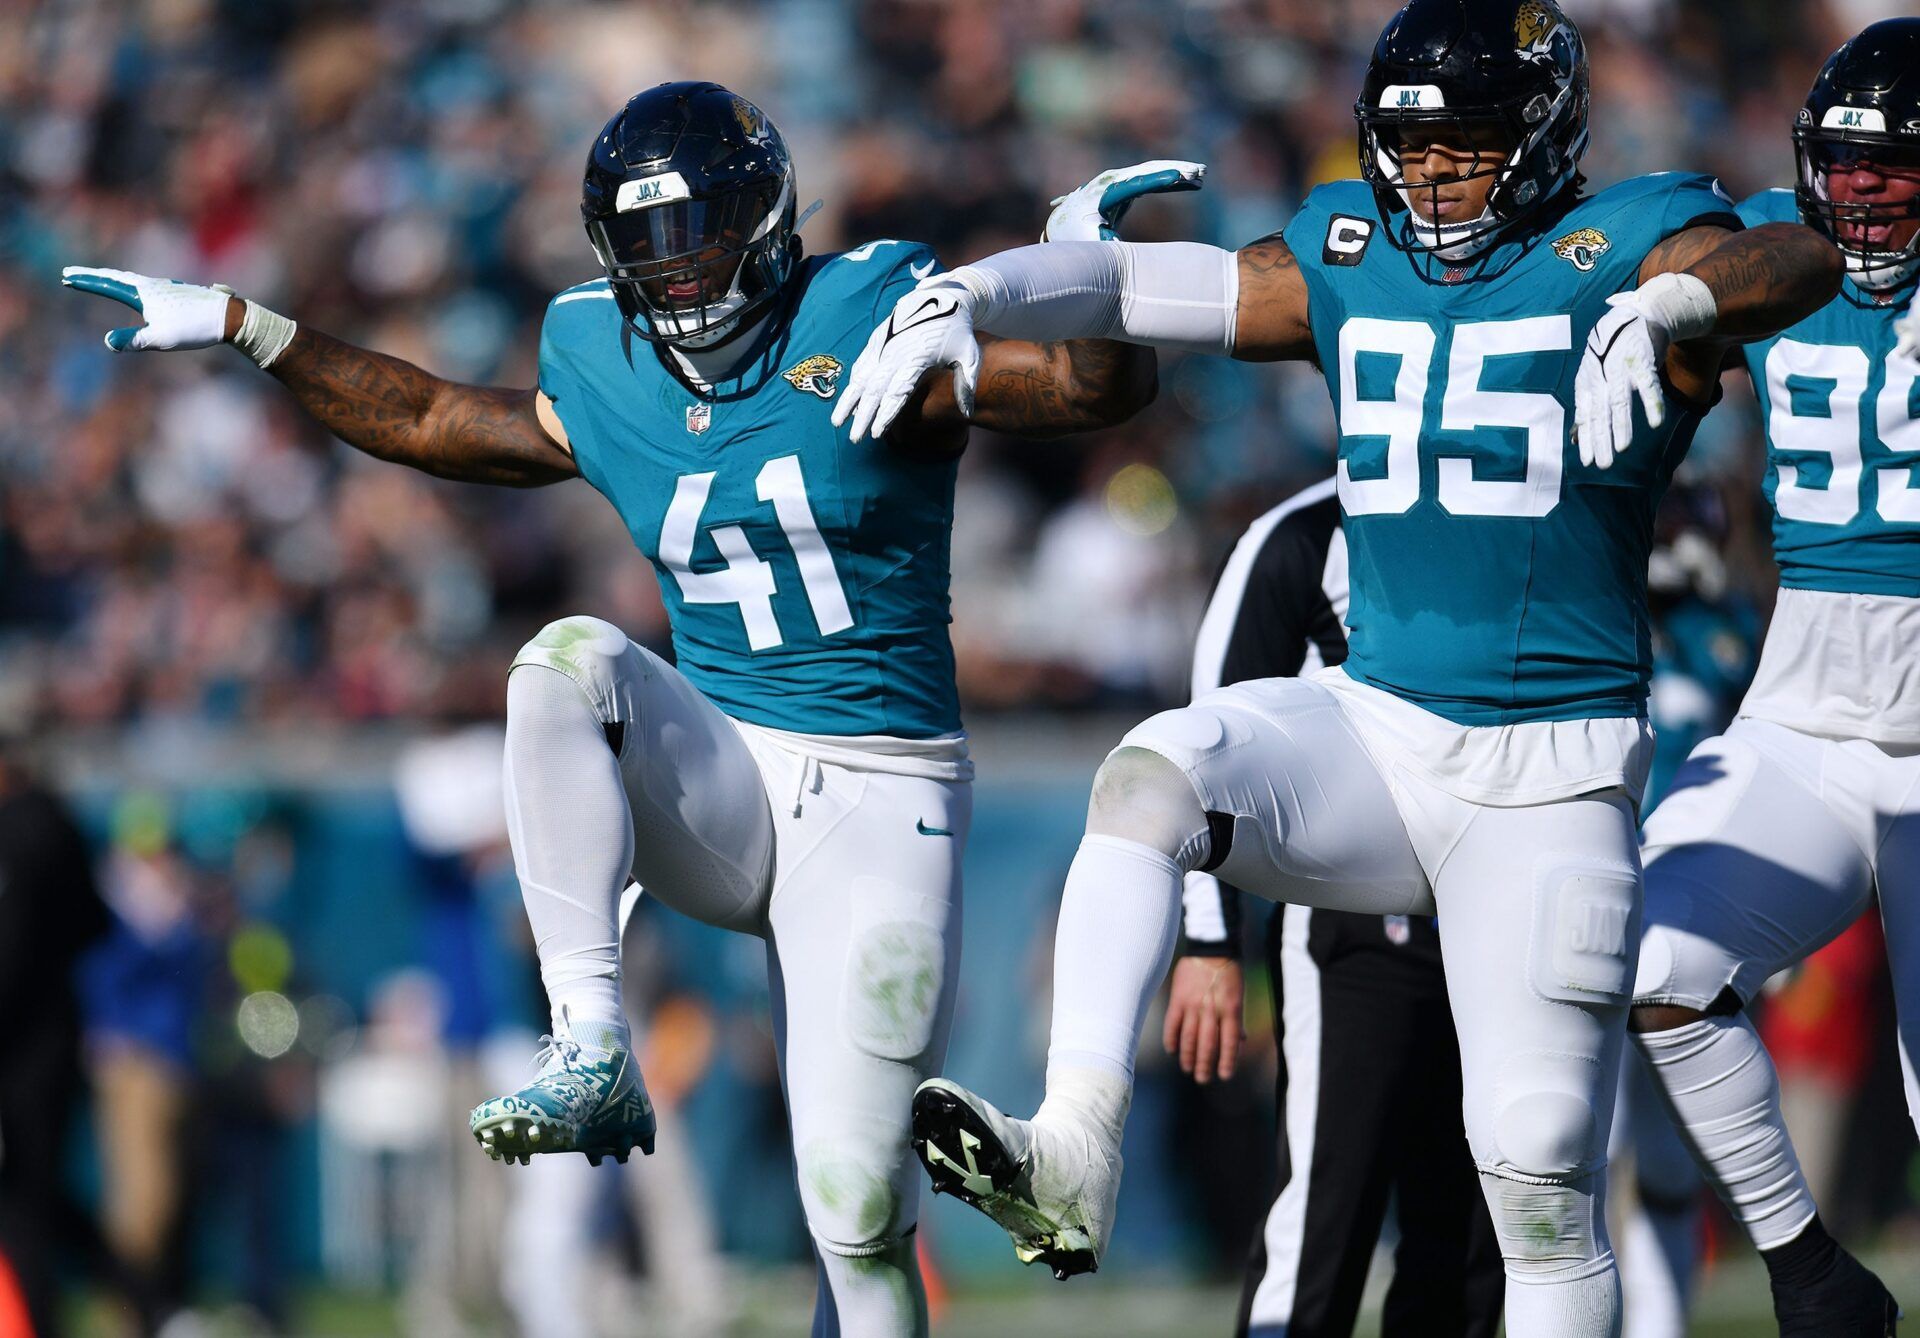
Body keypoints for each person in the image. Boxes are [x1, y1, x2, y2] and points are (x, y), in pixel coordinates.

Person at [65, 83, 1162, 1337]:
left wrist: (1089, 274)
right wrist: (251, 326)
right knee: (565, 662)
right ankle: (589, 1042)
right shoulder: (603, 354)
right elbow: (431, 417)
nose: (679, 271)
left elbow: (1087, 393)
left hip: (881, 791)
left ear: (765, 219)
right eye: (647, 243)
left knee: (856, 1213)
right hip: (724, 772)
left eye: (699, 232)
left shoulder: (866, 313)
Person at [833, 1, 1843, 1332]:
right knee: (1150, 777)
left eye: (1466, 143)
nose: (1431, 175)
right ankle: (1073, 1146)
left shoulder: (1636, 233)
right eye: (1410, 146)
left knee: (1538, 1175)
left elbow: (1803, 258)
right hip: (1377, 727)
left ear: (1542, 135)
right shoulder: (1352, 252)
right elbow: (1143, 289)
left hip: (1552, 774)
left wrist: (1677, 297)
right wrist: (977, 291)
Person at [1626, 18, 1920, 1335]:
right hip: (1802, 712)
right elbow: (1645, 239)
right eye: (1840, 164)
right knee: (1657, 958)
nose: (1858, 192)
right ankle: (1810, 1275)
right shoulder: (1763, 243)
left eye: (1893, 167)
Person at [1167, 477, 1504, 1338]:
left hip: (1491, 915)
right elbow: (1204, 744)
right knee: (1323, 1216)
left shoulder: (1512, 507)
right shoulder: (1300, 536)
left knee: (1473, 1244)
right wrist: (1210, 943)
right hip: (1352, 931)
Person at [0, 742, 110, 1338]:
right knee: (40, 1197)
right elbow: (95, 924)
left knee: (25, 1200)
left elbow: (14, 953)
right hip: (52, 1038)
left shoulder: (24, 830)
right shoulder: (58, 824)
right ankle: (144, 1296)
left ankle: (37, 1318)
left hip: (23, 1049)